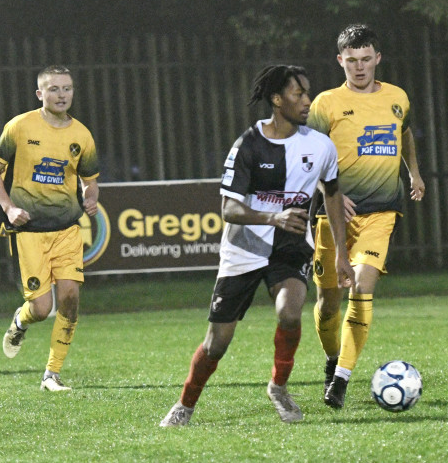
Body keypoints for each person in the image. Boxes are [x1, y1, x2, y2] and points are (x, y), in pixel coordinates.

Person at [160, 65, 353, 427]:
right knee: (217, 342)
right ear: (277, 100)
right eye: (299, 94)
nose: (307, 101)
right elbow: (229, 209)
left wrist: (341, 252)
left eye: (307, 93)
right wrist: (273, 218)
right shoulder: (247, 145)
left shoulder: (320, 145)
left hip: (291, 247)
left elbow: (332, 194)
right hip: (243, 250)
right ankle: (185, 403)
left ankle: (279, 386)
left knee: (291, 311)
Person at [307, 23, 426, 409]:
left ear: (378, 59)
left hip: (380, 212)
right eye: (351, 61)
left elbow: (404, 132)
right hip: (332, 217)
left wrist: (414, 171)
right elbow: (305, 156)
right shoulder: (325, 104)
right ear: (340, 61)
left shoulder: (397, 97)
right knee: (328, 303)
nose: (359, 68)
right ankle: (332, 361)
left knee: (362, 286)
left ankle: (340, 380)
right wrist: (331, 194)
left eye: (366, 59)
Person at [0, 65, 100, 392]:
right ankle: (20, 321)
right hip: (30, 231)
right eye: (54, 89)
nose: (61, 95)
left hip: (66, 229)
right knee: (41, 308)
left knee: (71, 298)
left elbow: (91, 183)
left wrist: (91, 199)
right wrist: (9, 208)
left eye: (67, 89)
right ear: (40, 94)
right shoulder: (20, 127)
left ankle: (52, 374)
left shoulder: (82, 135)